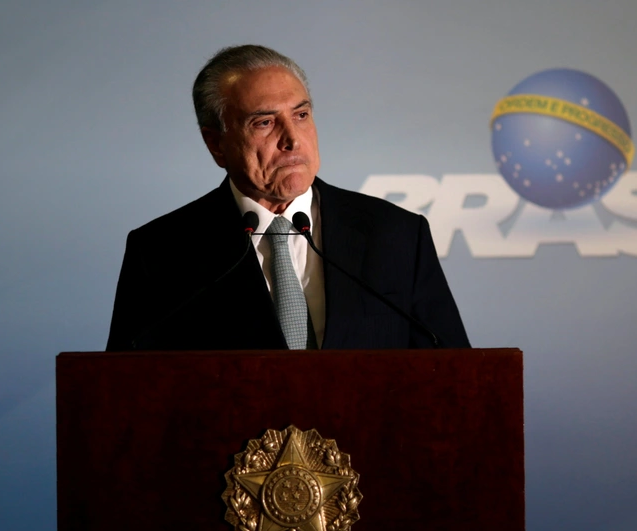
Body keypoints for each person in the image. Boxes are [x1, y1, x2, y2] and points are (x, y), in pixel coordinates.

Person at [105, 45, 469, 351]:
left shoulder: (397, 233)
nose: (292, 139)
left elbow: (452, 371)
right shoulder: (160, 252)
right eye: (264, 123)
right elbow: (126, 394)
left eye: (301, 115)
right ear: (216, 143)